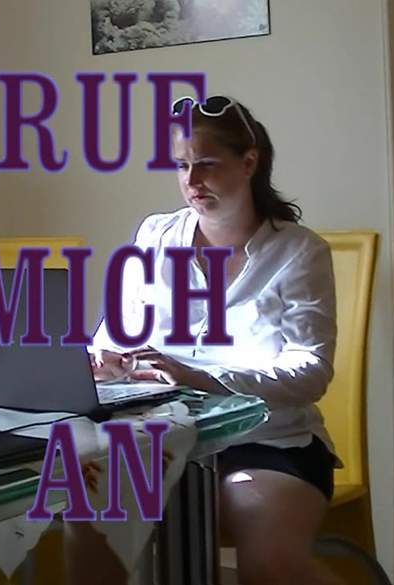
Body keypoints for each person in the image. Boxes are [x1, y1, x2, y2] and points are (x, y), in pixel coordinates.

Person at [65, 95, 341, 585]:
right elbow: (119, 332)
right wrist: (107, 360)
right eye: (182, 165)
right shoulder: (156, 235)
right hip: (158, 437)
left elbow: (311, 371)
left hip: (267, 441)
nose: (192, 182)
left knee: (270, 564)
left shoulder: (299, 251)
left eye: (207, 164)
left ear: (249, 163)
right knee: (89, 523)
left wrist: (201, 377)